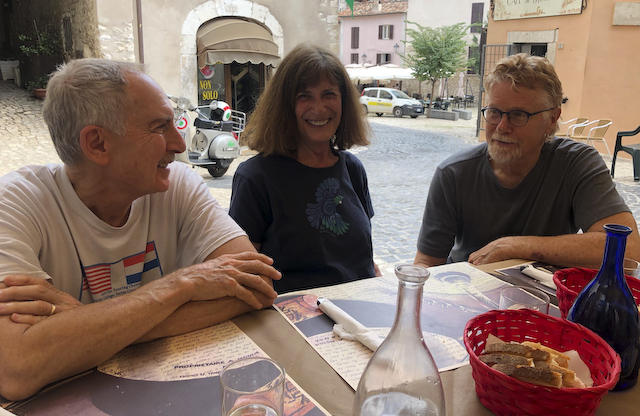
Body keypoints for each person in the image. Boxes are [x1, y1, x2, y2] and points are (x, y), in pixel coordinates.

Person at [0, 59, 281, 401]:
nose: (179, 144)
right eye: (160, 127)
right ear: (97, 144)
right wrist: (182, 285)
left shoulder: (177, 184)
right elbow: (15, 369)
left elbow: (258, 286)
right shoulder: (15, 204)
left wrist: (85, 326)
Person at [414, 53, 639, 268]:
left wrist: (515, 247)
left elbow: (628, 249)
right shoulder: (453, 173)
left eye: (518, 114)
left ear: (552, 119)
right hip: (469, 294)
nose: (502, 127)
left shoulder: (575, 163)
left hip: (545, 299)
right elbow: (426, 264)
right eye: (494, 112)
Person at [229, 43, 378, 293]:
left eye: (329, 94)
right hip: (293, 321)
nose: (318, 108)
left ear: (344, 101)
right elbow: (246, 277)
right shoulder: (256, 178)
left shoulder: (352, 169)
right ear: (284, 106)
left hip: (359, 316)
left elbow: (362, 258)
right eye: (304, 96)